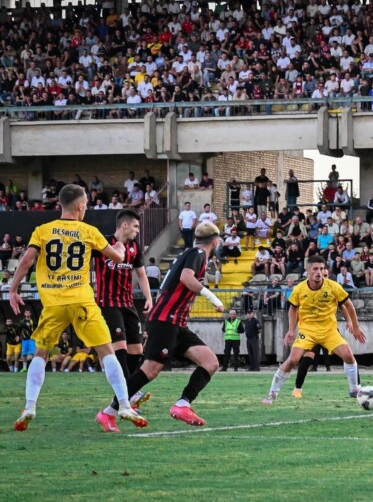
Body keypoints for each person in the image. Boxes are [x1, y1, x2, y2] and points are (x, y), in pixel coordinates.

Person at [7, 184, 144, 431]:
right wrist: (121, 250)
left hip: (53, 303)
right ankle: (124, 404)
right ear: (81, 206)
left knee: (41, 354)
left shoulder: (43, 230)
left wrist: (14, 290)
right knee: (107, 352)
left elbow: (27, 260)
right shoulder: (89, 231)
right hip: (82, 301)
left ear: (60, 204)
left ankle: (29, 406)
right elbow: (117, 258)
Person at [97, 222, 225, 428]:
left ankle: (183, 405)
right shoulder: (198, 254)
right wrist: (213, 298)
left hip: (177, 322)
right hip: (166, 320)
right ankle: (108, 412)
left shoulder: (193, 253)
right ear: (215, 241)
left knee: (210, 362)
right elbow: (186, 278)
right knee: (150, 370)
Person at [263, 256, 366, 403]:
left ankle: (354, 389)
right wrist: (291, 329)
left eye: (321, 268)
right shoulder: (299, 289)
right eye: (315, 269)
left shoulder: (333, 286)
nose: (319, 272)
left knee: (348, 355)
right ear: (308, 271)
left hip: (329, 331)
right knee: (293, 360)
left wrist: (355, 326)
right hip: (308, 332)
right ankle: (273, 393)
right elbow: (293, 309)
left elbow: (348, 305)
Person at [92, 209, 155, 420]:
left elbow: (141, 274)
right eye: (136, 226)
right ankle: (128, 396)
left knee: (136, 351)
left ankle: (123, 395)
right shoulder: (103, 243)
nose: (138, 230)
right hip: (108, 303)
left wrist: (148, 297)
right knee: (119, 348)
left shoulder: (135, 248)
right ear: (125, 225)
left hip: (128, 304)